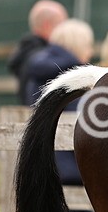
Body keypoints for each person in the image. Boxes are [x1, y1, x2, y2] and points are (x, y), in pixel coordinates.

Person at [24, 18, 95, 189]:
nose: (91, 52)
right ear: (80, 45)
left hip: (41, 162)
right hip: (72, 167)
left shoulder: (37, 72)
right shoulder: (76, 79)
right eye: (89, 45)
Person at [8, 0, 68, 104]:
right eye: (62, 25)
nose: (65, 30)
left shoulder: (26, 52)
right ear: (47, 25)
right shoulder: (40, 58)